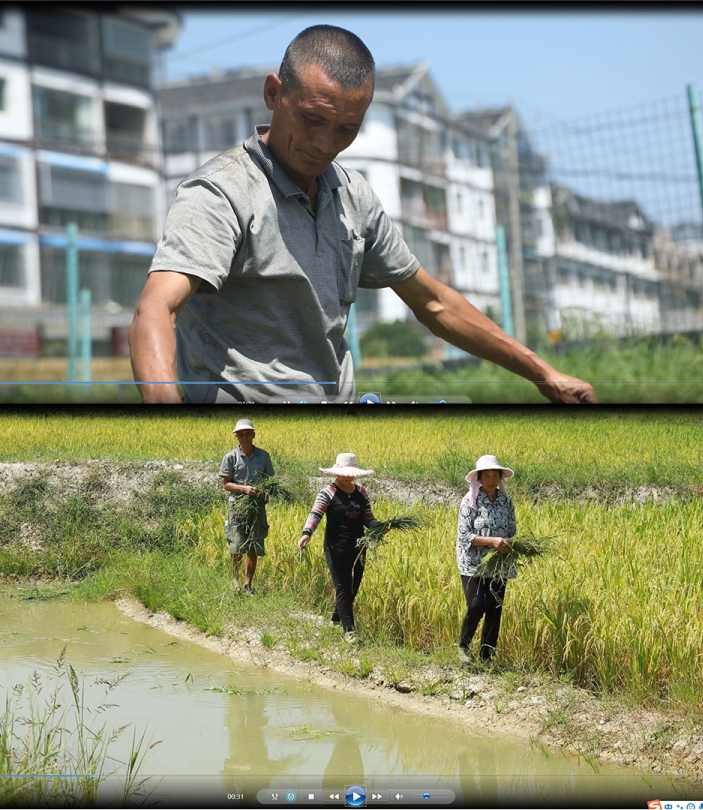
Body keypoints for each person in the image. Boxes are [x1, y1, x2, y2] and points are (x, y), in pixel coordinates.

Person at [129, 25, 596, 406]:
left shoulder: (353, 196)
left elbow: (433, 303)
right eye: (313, 119)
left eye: (346, 129)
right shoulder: (221, 191)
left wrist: (544, 374)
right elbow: (156, 308)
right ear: (274, 93)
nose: (325, 143)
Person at [298, 452, 383, 644]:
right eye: (344, 473)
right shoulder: (328, 492)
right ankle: (349, 631)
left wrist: (379, 526)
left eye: (351, 473)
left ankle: (336, 618)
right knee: (342, 585)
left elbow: (367, 517)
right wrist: (307, 533)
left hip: (359, 545)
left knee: (354, 586)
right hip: (336, 546)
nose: (347, 476)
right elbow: (316, 514)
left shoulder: (361, 492)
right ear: (336, 472)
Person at [454, 455, 517, 664]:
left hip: (498, 563)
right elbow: (464, 536)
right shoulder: (469, 500)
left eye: (495, 476)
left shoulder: (506, 502)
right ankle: (463, 646)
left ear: (500, 478)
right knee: (476, 605)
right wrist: (492, 541)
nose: (491, 480)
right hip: (472, 563)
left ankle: (487, 658)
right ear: (479, 479)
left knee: (494, 609)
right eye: (487, 476)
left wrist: (506, 544)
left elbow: (512, 531)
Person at [220, 418, 275, 595]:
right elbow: (227, 485)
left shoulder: (263, 456)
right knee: (237, 545)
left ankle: (248, 584)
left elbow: (270, 482)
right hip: (237, 505)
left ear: (253, 435)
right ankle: (235, 580)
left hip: (257, 506)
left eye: (247, 433)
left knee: (254, 546)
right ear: (236, 437)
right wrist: (244, 489)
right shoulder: (230, 457)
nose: (244, 437)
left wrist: (263, 493)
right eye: (241, 434)